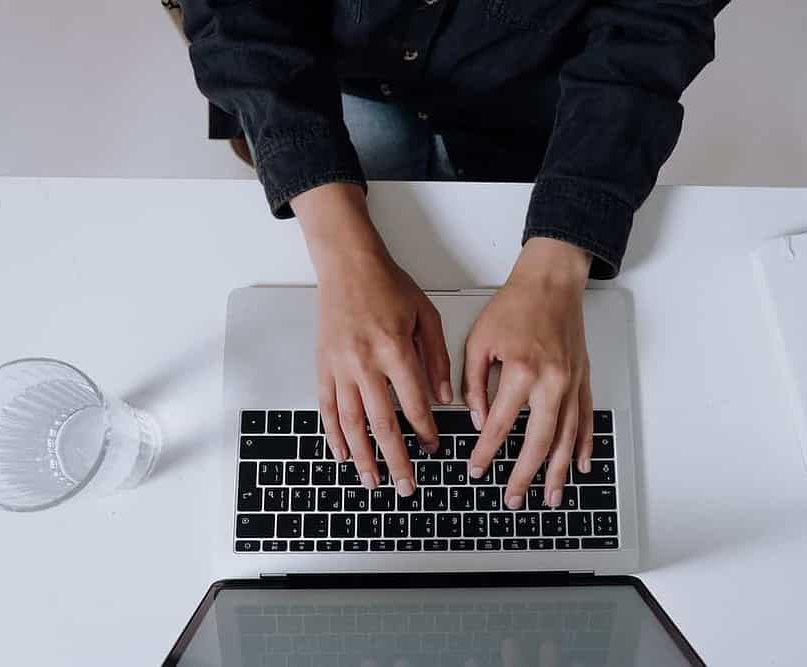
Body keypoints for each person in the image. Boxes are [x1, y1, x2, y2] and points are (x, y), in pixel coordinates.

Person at [179, 1, 724, 510]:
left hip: (529, 92)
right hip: (334, 77)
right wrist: (345, 256)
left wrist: (554, 271)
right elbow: (236, 13)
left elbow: (654, 26)